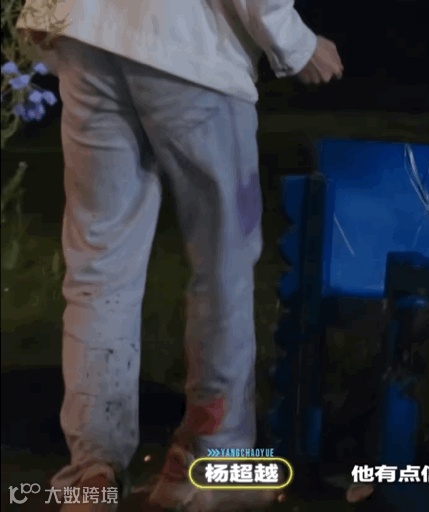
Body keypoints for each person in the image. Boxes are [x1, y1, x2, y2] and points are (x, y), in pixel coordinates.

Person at [16, 0, 343, 510]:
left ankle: (91, 470)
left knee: (100, 265)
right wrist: (296, 43)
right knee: (222, 262)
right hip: (188, 39)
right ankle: (211, 462)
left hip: (87, 31)